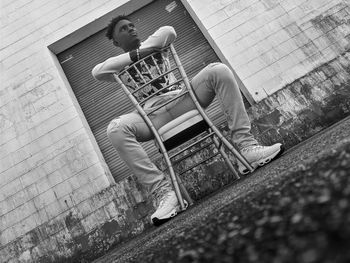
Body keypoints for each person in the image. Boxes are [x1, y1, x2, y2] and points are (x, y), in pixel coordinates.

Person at [92, 15, 284, 226]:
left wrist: (146, 48)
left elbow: (169, 31)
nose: (131, 29)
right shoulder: (114, 67)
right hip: (152, 117)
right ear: (116, 42)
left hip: (183, 99)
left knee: (218, 70)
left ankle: (246, 147)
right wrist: (137, 54)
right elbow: (97, 71)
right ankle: (164, 192)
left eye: (131, 25)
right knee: (115, 129)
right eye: (123, 29)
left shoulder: (156, 43)